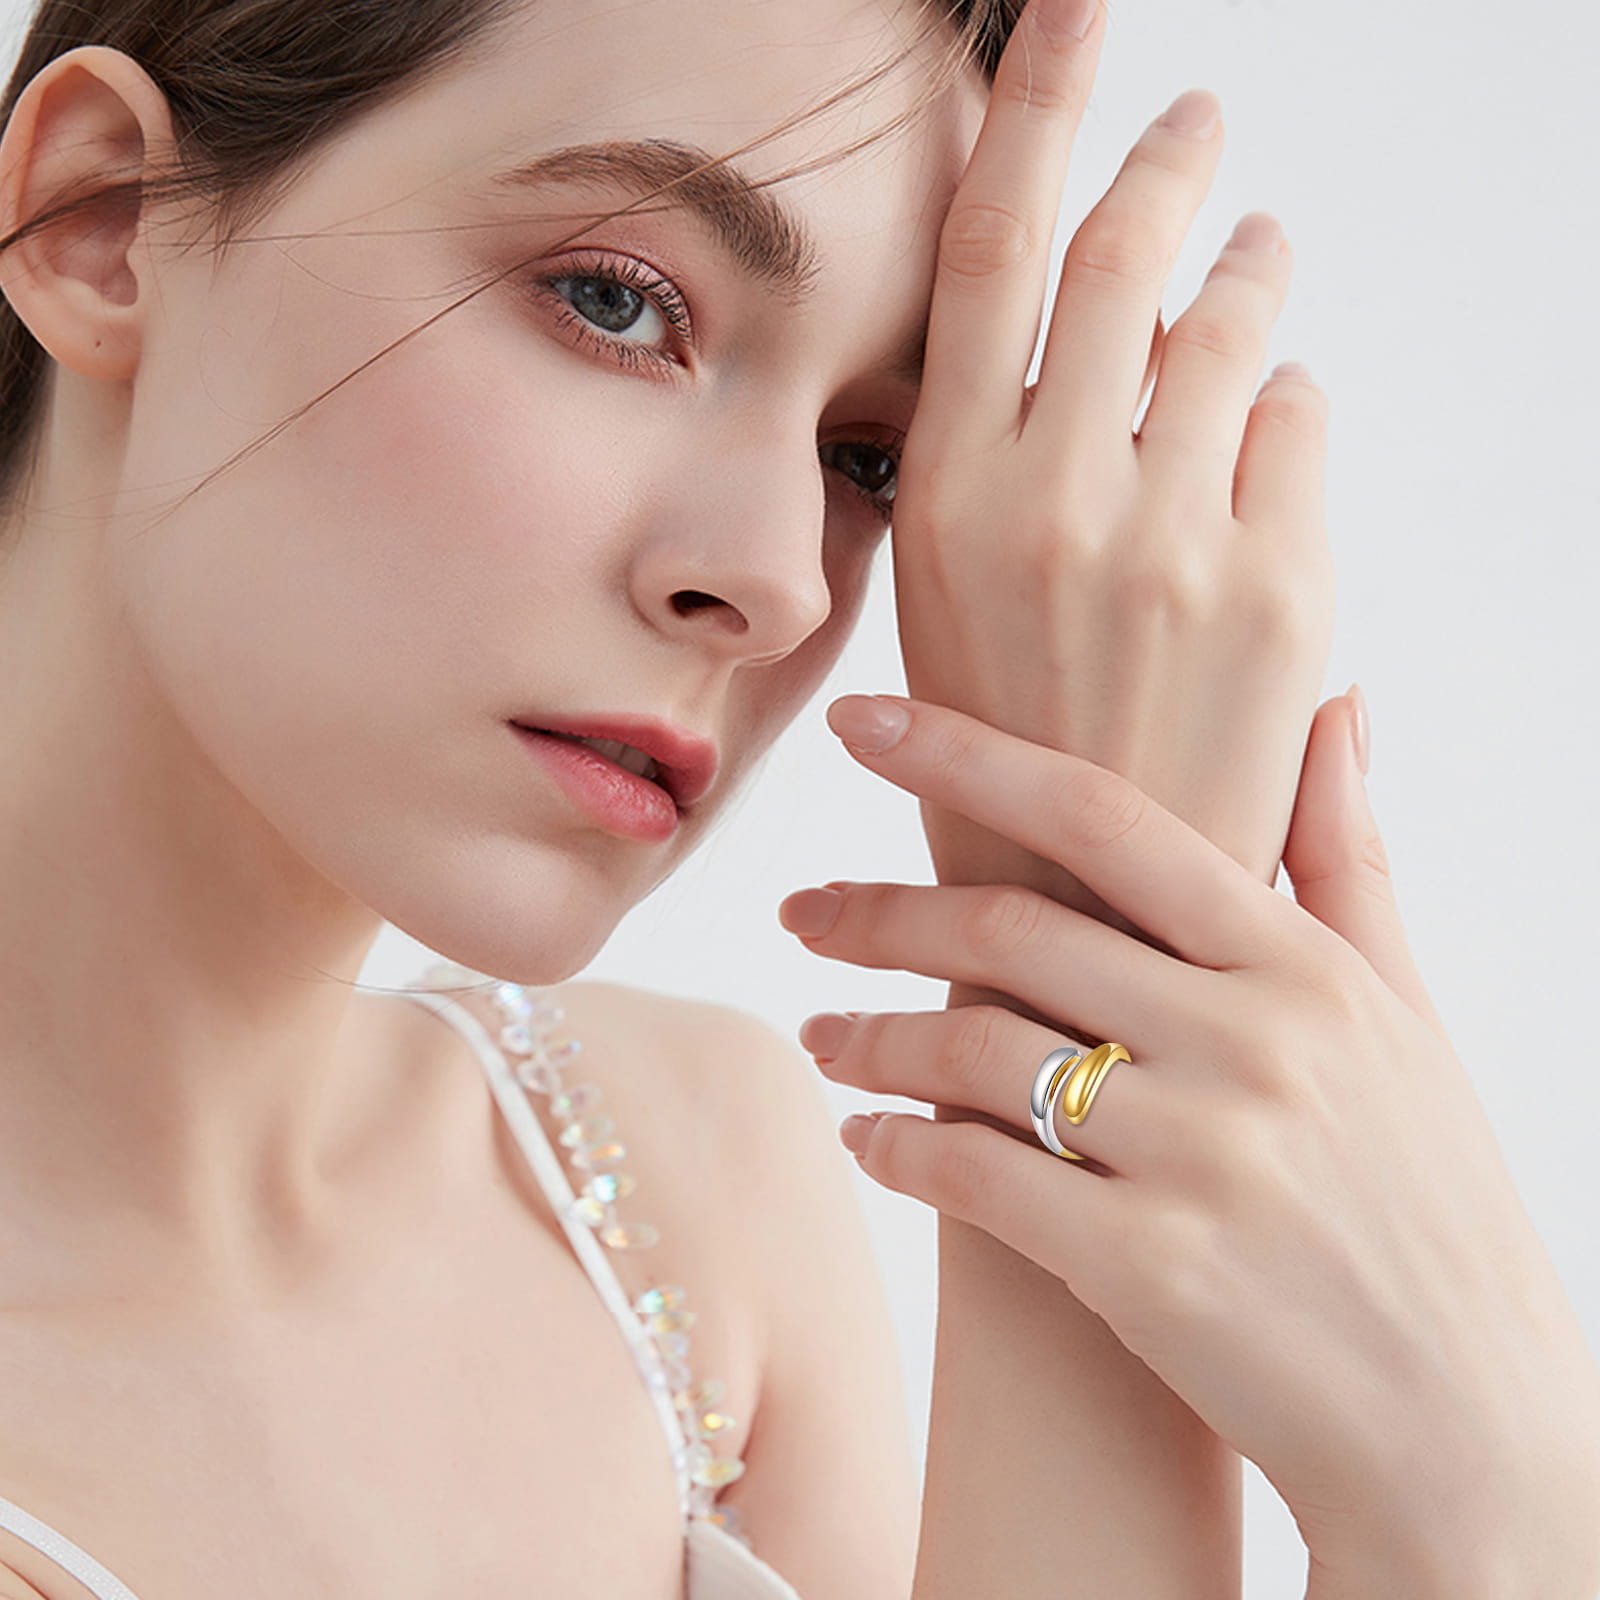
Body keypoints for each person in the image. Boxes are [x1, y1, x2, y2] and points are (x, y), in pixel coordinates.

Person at [0, 0, 1596, 1595]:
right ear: (104, 218)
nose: (779, 581)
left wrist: (1487, 1497)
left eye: (870, 459)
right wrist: (1073, 1030)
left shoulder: (680, 1184)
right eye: (618, 303)